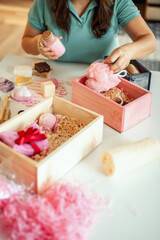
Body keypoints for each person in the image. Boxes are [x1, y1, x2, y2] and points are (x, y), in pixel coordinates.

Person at [22, 0, 156, 73]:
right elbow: (26, 42)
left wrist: (129, 51)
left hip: (104, 74)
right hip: (59, 73)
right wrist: (38, 43)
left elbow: (150, 42)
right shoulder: (43, 3)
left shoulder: (118, 2)